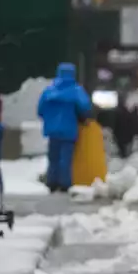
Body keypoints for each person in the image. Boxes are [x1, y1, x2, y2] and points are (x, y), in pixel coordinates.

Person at [36, 62, 92, 192]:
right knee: (65, 158)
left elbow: (40, 110)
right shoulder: (76, 91)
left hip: (52, 130)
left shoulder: (49, 91)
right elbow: (85, 108)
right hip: (69, 130)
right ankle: (64, 183)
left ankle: (52, 182)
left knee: (53, 158)